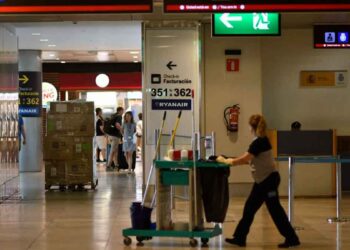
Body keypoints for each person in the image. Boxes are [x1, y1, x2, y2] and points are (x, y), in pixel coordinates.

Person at [217, 114, 300, 248]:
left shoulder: (259, 142)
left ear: (252, 127)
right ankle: (240, 237)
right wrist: (229, 159)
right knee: (250, 208)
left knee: (275, 210)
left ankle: (292, 238)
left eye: (249, 126)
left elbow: (245, 159)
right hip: (263, 181)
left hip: (268, 181)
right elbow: (249, 159)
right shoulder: (260, 140)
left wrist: (229, 161)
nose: (249, 129)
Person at [107, 107, 124, 171]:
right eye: (122, 111)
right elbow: (117, 125)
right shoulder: (119, 116)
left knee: (115, 150)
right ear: (120, 111)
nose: (123, 112)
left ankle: (116, 164)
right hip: (115, 136)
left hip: (110, 135)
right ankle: (108, 165)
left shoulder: (113, 115)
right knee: (113, 151)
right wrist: (122, 131)